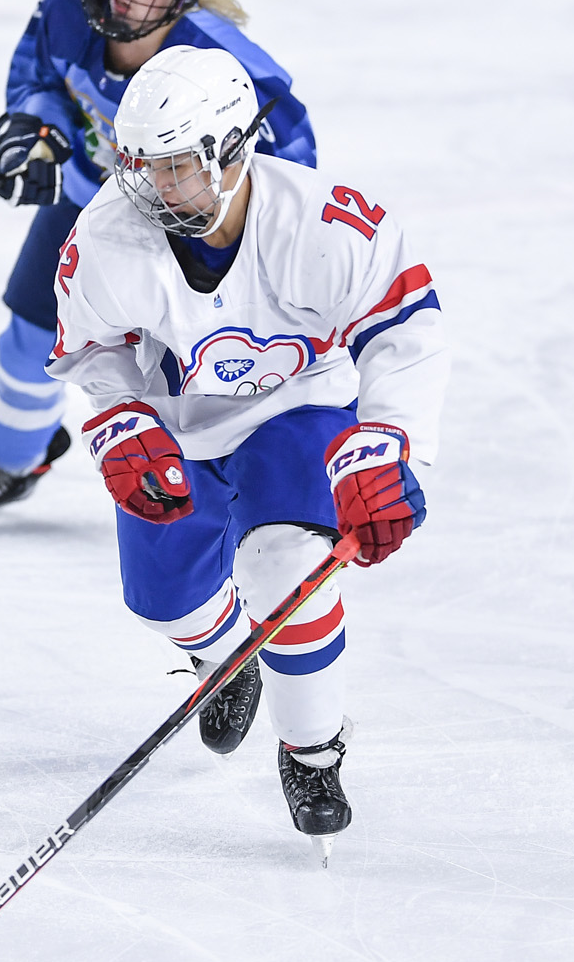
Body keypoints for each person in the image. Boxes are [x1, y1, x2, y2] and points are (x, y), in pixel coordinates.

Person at [46, 45, 448, 845]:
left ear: (232, 150)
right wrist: (119, 421)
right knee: (163, 600)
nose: (159, 187)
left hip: (300, 408)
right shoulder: (108, 239)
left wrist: (388, 441)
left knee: (284, 568)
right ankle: (228, 656)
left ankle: (312, 748)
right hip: (181, 419)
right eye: (144, 167)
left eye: (178, 166)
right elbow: (90, 349)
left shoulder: (323, 226)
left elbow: (407, 329)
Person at [0, 0, 317, 517]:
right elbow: (38, 79)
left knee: (197, 366)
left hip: (192, 226)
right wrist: (37, 134)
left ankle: (220, 487)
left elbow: (288, 161)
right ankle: (15, 462)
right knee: (30, 334)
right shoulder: (65, 2)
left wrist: (249, 241)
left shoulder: (232, 67)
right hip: (92, 201)